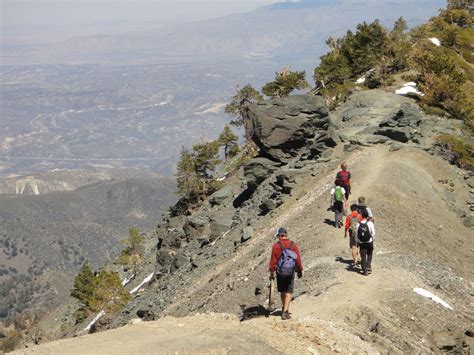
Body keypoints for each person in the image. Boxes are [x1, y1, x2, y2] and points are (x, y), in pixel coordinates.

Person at [269, 227, 303, 320]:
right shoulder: (293, 245)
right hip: (290, 271)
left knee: (282, 291)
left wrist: (272, 272)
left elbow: (273, 260)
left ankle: (284, 308)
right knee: (289, 291)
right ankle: (285, 311)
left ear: (280, 235)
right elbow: (297, 258)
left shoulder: (276, 246)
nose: (277, 238)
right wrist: (300, 270)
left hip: (280, 272)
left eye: (278, 236)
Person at [356, 209, 375, 276]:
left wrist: (357, 242)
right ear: (367, 216)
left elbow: (357, 234)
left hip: (362, 242)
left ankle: (364, 270)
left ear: (361, 216)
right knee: (370, 253)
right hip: (369, 241)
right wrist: (372, 240)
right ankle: (368, 266)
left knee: (363, 256)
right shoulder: (370, 223)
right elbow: (373, 233)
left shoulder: (358, 224)